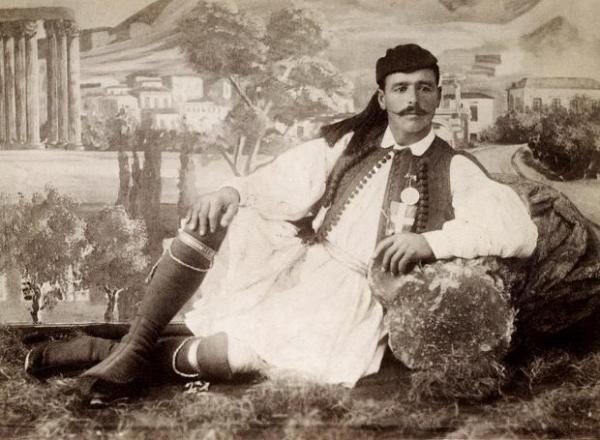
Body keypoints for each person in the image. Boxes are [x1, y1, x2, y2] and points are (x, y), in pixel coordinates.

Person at [25, 44, 538, 405]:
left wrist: (430, 241)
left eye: (424, 89)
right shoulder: (350, 145)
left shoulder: (454, 166)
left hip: (351, 301)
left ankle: (100, 349)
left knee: (231, 355)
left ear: (439, 97)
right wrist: (232, 190)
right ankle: (133, 349)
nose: (413, 100)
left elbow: (517, 229)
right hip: (300, 266)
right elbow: (280, 179)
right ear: (382, 98)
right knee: (214, 212)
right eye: (401, 88)